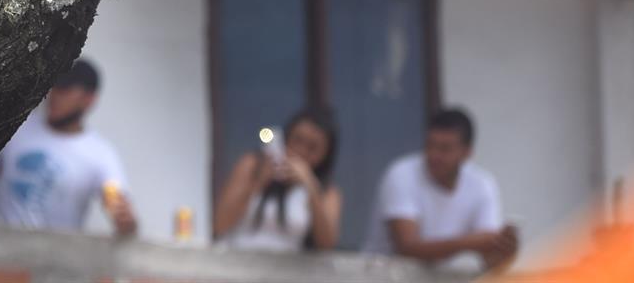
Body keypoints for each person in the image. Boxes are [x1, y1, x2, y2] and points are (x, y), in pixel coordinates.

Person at [0, 60, 138, 235]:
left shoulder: (100, 153)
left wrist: (125, 220)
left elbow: (119, 210)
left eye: (65, 90)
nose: (54, 95)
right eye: (53, 86)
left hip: (52, 257)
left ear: (89, 99)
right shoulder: (17, 126)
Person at [363, 106, 519, 270]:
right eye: (430, 145)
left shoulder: (483, 184)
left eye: (445, 149)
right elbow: (406, 246)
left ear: (466, 153)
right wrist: (472, 242)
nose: (434, 155)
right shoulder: (401, 174)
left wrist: (503, 250)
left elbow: (490, 257)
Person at [213, 105, 342, 251]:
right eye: (297, 140)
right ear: (286, 136)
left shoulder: (326, 190)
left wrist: (310, 185)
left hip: (286, 272)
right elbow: (220, 225)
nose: (302, 151)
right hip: (236, 265)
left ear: (325, 155)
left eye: (312, 147)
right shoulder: (254, 164)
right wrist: (258, 182)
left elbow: (327, 244)